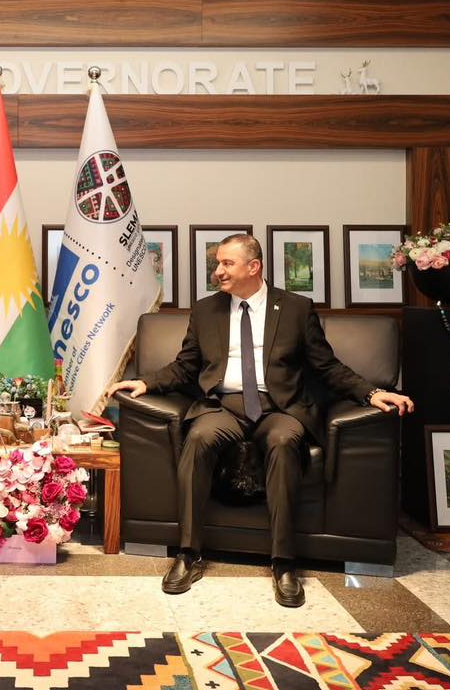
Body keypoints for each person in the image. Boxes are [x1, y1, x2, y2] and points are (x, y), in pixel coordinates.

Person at [107, 233, 413, 607]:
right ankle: (188, 554)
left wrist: (371, 393)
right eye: (217, 263)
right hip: (224, 406)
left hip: (280, 407)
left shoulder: (297, 308)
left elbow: (327, 366)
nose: (218, 271)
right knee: (199, 439)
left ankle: (283, 562)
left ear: (254, 267)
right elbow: (185, 366)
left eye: (227, 263)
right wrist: (145, 382)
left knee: (284, 442)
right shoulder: (206, 311)